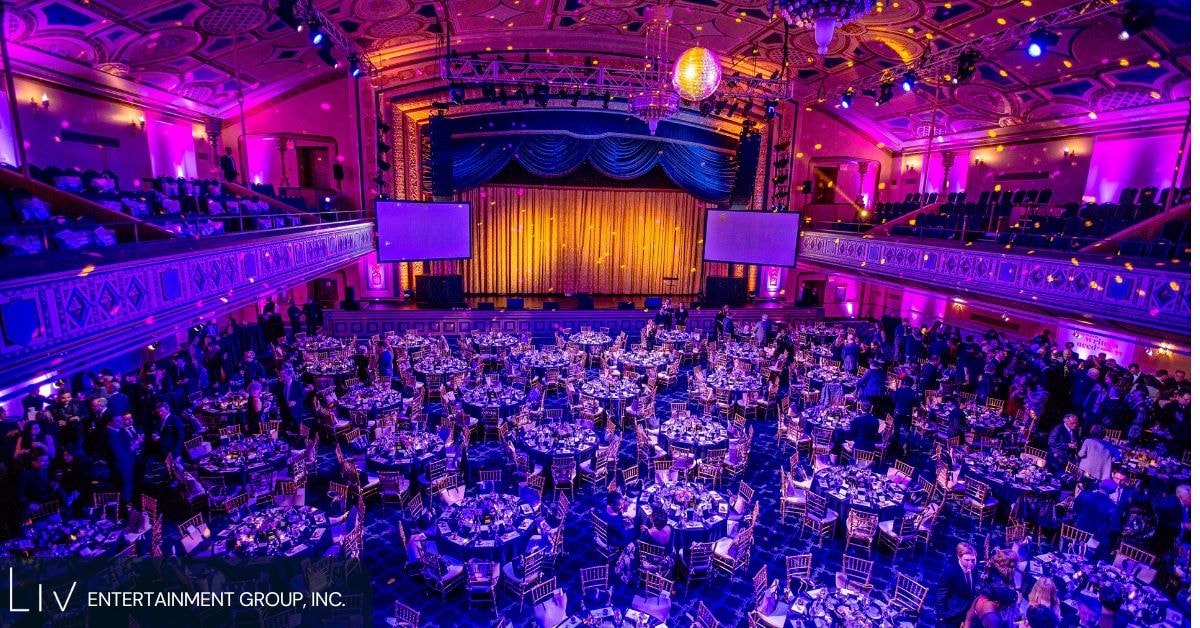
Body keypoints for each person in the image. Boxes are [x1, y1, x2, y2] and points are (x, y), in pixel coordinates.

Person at [936, 542, 978, 627]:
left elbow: (970, 592)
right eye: (967, 560)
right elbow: (940, 597)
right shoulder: (950, 571)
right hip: (950, 615)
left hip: (964, 613)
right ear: (959, 557)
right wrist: (941, 619)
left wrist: (965, 618)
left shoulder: (974, 569)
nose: (971, 563)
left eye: (973, 560)